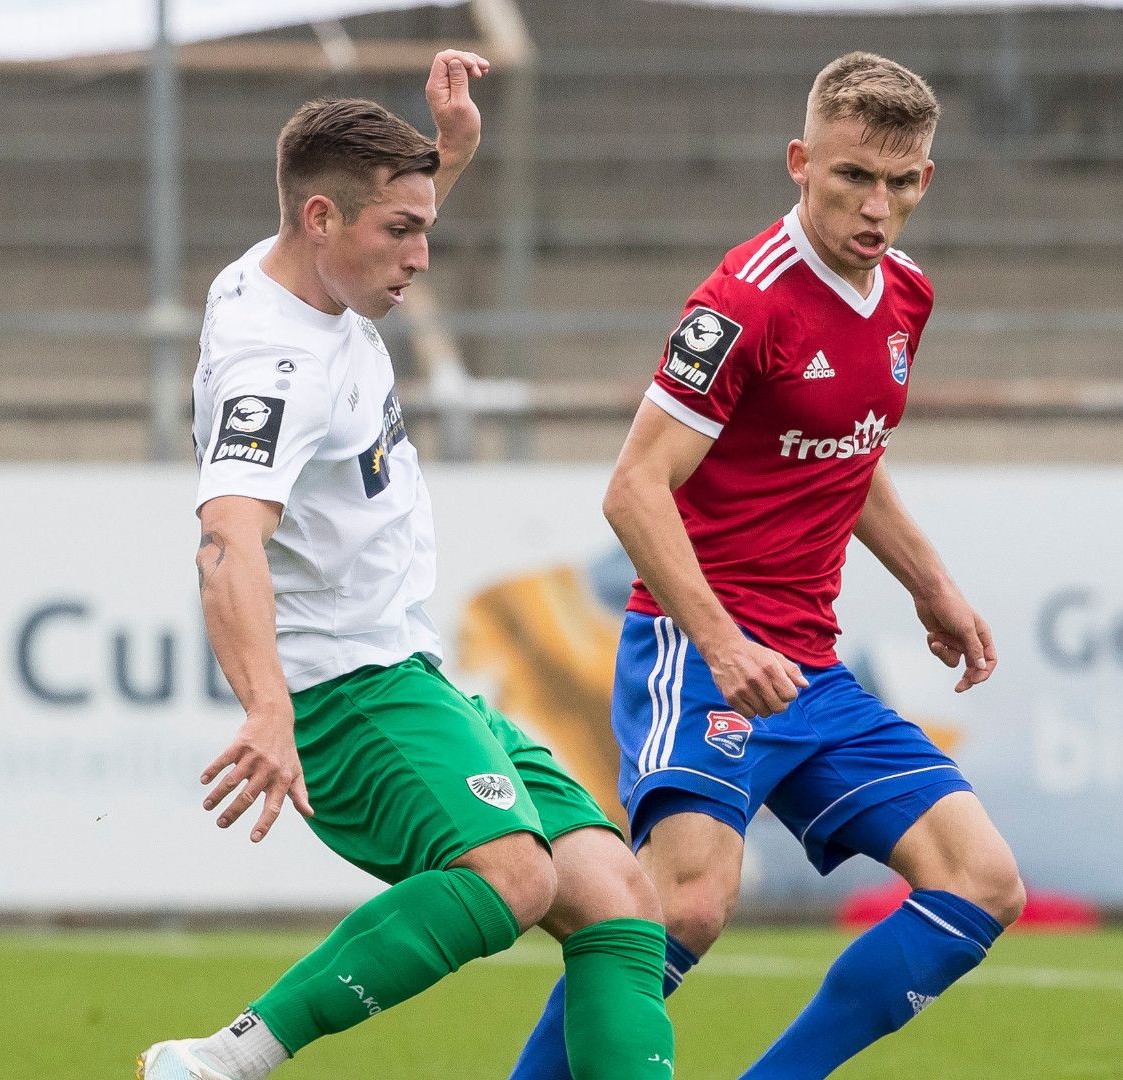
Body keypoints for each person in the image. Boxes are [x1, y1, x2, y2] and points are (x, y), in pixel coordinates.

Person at [139, 52, 674, 1080]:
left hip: (405, 666)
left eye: (425, 225)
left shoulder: (296, 269)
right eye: (404, 231)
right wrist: (266, 710)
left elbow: (371, 224)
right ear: (321, 221)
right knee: (514, 877)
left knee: (614, 893)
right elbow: (226, 538)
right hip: (343, 686)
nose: (423, 256)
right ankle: (220, 1063)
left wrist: (449, 156)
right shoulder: (277, 368)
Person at [510, 51, 1025, 1080]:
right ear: (801, 163)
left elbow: (852, 455)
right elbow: (634, 487)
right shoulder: (743, 303)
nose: (877, 205)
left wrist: (932, 586)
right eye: (852, 178)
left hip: (811, 669)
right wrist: (720, 637)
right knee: (686, 904)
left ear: (928, 180)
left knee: (981, 880)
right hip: (698, 650)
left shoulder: (907, 297)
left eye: (901, 181)